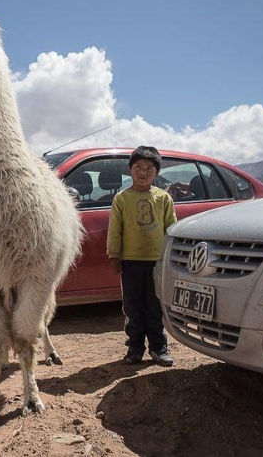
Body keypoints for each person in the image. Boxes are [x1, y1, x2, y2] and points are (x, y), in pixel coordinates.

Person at [107, 146, 177, 367]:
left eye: (149, 168)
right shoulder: (122, 199)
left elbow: (171, 228)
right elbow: (115, 229)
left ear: (156, 172)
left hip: (157, 262)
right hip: (131, 262)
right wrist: (114, 255)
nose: (143, 172)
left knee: (155, 307)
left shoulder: (163, 198)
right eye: (138, 167)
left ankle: (159, 348)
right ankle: (135, 348)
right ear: (130, 169)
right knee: (133, 307)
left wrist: (170, 256)